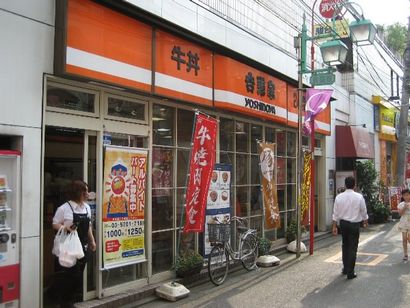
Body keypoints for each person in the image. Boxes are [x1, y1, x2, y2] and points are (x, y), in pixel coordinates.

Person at [52, 180, 96, 307]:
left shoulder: (86, 207)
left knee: (78, 274)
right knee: (70, 275)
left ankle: (68, 300)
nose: (87, 194)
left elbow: (88, 226)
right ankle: (65, 302)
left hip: (83, 246)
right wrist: (65, 228)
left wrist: (92, 240)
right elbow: (55, 224)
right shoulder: (64, 208)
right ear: (78, 193)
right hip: (68, 246)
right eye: (85, 191)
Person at [332, 176, 368, 280]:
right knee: (353, 247)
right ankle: (350, 272)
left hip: (343, 224)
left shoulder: (339, 197)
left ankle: (345, 268)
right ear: (354, 185)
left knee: (345, 245)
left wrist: (334, 226)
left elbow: (335, 213)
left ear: (345, 185)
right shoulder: (359, 197)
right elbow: (363, 211)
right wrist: (365, 222)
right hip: (354, 224)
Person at [397, 188, 410, 261]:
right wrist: (405, 207)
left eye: (407, 195)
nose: (406, 197)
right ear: (402, 196)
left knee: (409, 239)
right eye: (404, 195)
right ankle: (405, 254)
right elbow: (400, 214)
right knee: (404, 239)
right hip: (404, 222)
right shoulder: (401, 204)